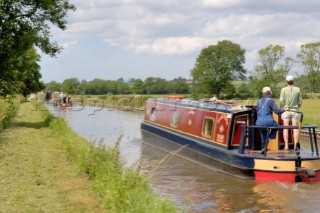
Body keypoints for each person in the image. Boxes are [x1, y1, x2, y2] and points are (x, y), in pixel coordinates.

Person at [256, 87, 284, 153]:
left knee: (263, 132)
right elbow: (277, 111)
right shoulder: (271, 100)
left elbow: (257, 109)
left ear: (263, 93)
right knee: (277, 125)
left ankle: (263, 147)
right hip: (268, 121)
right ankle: (271, 136)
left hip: (259, 122)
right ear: (270, 93)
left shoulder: (259, 101)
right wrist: (284, 110)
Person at [280, 75, 302, 150]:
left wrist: (284, 107)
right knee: (295, 128)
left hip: (286, 110)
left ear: (286, 81)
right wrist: (297, 106)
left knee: (286, 127)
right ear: (293, 81)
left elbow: (281, 101)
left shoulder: (283, 89)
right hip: (295, 110)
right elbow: (300, 101)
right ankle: (295, 145)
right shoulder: (298, 89)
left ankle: (286, 146)